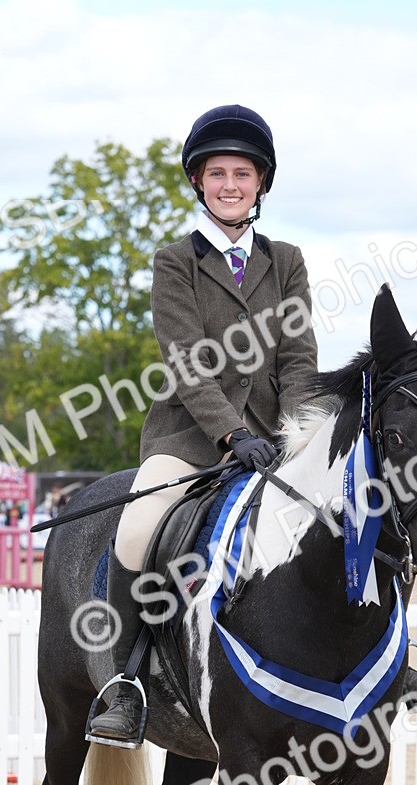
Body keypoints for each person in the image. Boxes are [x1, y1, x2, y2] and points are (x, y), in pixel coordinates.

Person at [90, 104, 319, 746]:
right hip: (191, 439)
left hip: (278, 439)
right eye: (216, 172)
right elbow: (186, 358)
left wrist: (294, 433)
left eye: (241, 173)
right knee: (137, 530)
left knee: (353, 510)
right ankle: (125, 684)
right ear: (198, 182)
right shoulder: (176, 261)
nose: (229, 184)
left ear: (261, 184)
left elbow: (300, 356)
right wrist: (231, 433)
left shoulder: (287, 260)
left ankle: (394, 667)